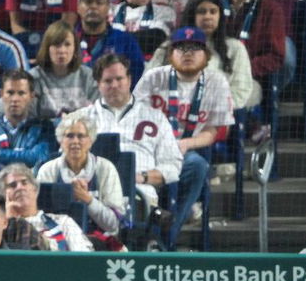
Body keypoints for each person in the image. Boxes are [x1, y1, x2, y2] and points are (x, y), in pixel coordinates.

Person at [132, 24, 225, 244]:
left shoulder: (216, 82)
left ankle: (165, 239)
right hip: (148, 149)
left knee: (198, 166)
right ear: (170, 54)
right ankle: (139, 237)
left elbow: (214, 130)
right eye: (181, 48)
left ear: (207, 55)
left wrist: (186, 144)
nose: (188, 53)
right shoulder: (154, 78)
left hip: (185, 152)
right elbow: (134, 116)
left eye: (195, 48)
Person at [81, 52, 182, 229]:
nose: (114, 85)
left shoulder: (155, 116)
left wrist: (142, 177)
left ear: (129, 79)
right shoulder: (82, 119)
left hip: (139, 191)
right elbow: (66, 161)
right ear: (98, 84)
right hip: (93, 191)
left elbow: (173, 166)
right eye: (107, 81)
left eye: (119, 79)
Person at [34, 109, 125, 235]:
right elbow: (39, 217)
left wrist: (87, 199)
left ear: (91, 141)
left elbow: (114, 224)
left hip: (99, 242)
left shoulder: (106, 169)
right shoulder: (47, 170)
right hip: (58, 240)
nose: (75, 141)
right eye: (69, 136)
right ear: (61, 140)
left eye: (81, 136)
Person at [0, 68, 56, 176]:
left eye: (21, 93)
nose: (15, 99)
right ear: (1, 94)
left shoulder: (44, 128)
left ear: (31, 96)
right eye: (10, 92)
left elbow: (40, 157)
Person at [0, 161, 91, 249]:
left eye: (24, 183)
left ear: (35, 189)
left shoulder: (64, 223)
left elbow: (84, 258)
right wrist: (10, 221)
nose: (20, 188)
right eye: (13, 185)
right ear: (4, 195)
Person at [74, 0, 144, 82]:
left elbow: (136, 76)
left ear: (108, 7)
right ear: (78, 7)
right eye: (88, 2)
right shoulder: (68, 40)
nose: (93, 6)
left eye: (99, 2)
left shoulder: (125, 40)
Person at [29, 18, 96, 115]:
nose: (62, 50)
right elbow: (30, 118)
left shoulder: (88, 76)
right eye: (56, 45)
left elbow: (97, 114)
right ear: (47, 48)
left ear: (75, 48)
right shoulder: (34, 77)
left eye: (67, 44)